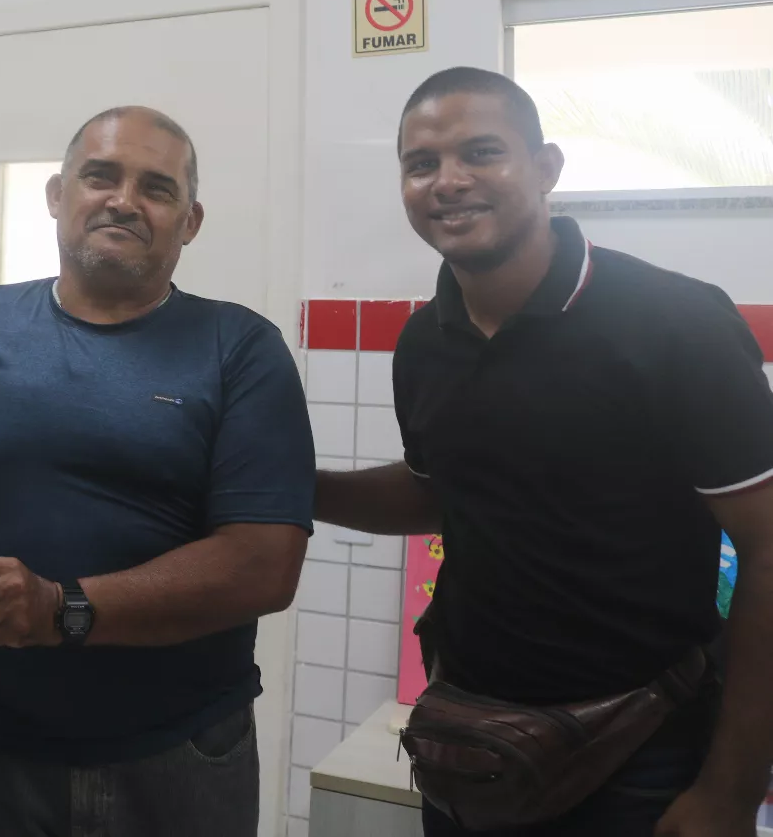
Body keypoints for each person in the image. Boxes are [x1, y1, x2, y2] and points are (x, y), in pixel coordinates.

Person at [316, 67, 773, 836]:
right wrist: (291, 487)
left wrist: (730, 790)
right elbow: (439, 492)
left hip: (641, 753)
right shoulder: (425, 341)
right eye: (422, 164)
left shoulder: (675, 323)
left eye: (481, 153)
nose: (448, 181)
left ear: (546, 167)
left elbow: (768, 546)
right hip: (470, 742)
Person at [0, 107, 315, 837]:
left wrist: (60, 608)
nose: (124, 200)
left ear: (190, 221)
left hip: (179, 754)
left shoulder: (240, 348)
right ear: (58, 195)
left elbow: (263, 566)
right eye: (100, 177)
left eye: (157, 188)